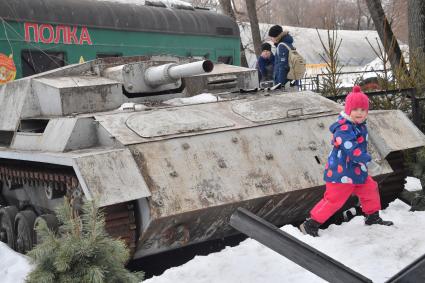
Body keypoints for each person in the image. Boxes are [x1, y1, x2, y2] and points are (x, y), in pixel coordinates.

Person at [299, 86, 393, 237]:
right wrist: (368, 162)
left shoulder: (359, 125)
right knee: (334, 200)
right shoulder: (343, 128)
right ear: (348, 110)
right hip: (341, 173)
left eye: (363, 110)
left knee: (370, 189)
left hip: (356, 171)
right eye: (355, 109)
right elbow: (352, 150)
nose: (359, 113)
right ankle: (311, 224)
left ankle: (372, 217)